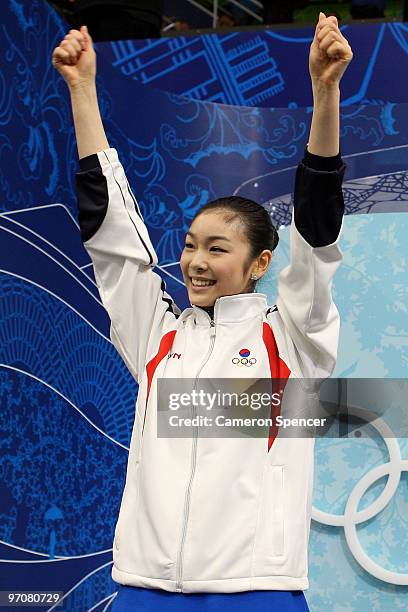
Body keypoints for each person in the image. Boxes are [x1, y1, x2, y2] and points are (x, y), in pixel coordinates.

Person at [52, 13, 352, 611]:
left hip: (253, 592)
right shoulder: (158, 335)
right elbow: (111, 244)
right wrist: (82, 90)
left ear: (261, 262)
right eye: (190, 244)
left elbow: (317, 238)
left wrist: (325, 93)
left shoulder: (291, 338)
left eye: (217, 248)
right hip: (144, 587)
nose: (195, 261)